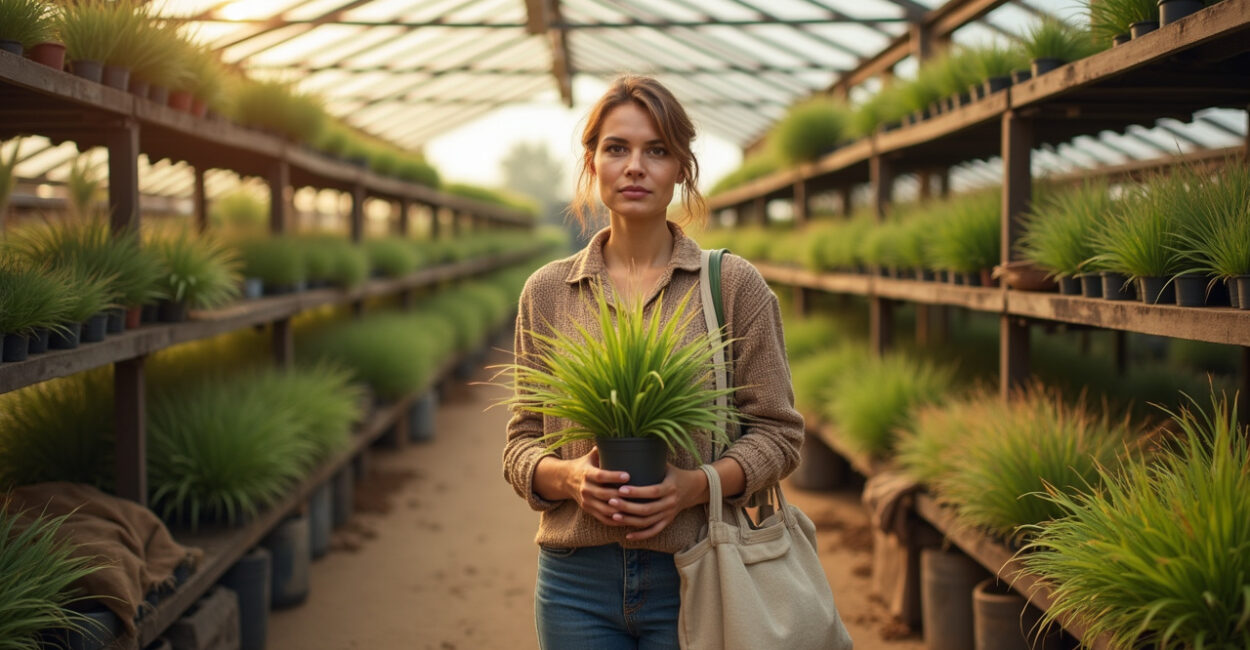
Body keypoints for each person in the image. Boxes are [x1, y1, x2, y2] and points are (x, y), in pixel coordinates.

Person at [502, 75, 804, 650]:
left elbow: (779, 433)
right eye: (617, 148)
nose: (635, 166)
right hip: (574, 582)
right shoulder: (547, 292)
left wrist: (695, 486)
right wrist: (569, 478)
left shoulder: (731, 286)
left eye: (656, 150)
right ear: (592, 163)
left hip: (700, 569)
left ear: (682, 169)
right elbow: (520, 441)